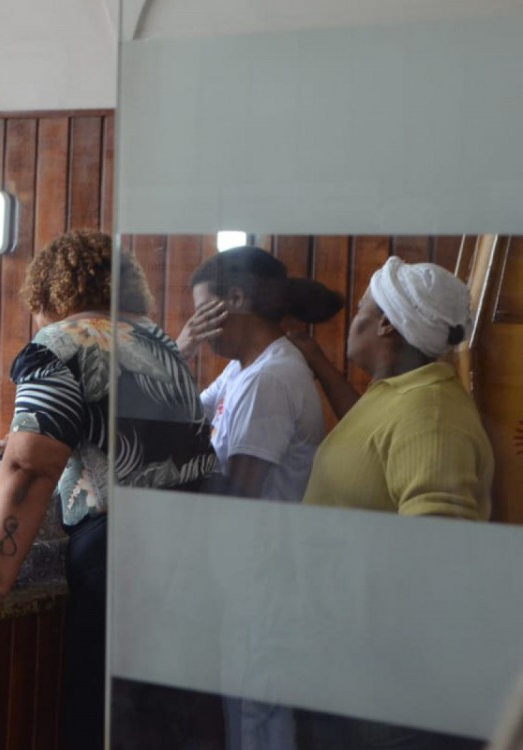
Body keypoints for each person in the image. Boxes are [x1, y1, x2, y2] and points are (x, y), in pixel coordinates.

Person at [0, 229, 218, 750]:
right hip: (197, 546)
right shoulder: (159, 342)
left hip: (128, 557)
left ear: (44, 293)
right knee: (178, 718)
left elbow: (31, 464)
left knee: (112, 719)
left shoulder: (62, 341)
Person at [288, 255, 491, 748]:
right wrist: (315, 360)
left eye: (361, 308)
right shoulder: (401, 396)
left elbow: (433, 556)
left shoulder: (431, 416)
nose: (352, 319)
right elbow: (378, 445)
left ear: (385, 324)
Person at [176, 246, 344, 750]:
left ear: (236, 298)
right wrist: (179, 351)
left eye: (202, 309)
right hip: (247, 573)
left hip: (267, 577)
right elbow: (181, 413)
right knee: (245, 711)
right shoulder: (242, 370)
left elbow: (240, 492)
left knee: (258, 718)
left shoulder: (270, 377)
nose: (198, 323)